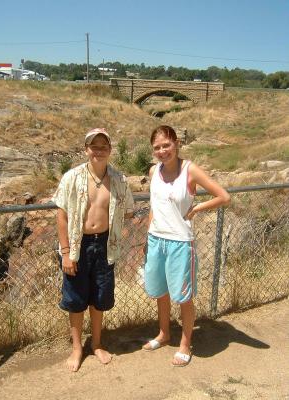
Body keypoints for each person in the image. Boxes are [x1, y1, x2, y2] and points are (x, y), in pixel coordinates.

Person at [143, 125, 230, 366]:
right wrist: (147, 238)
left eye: (166, 145)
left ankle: (184, 343)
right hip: (156, 239)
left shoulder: (189, 170)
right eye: (157, 147)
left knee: (183, 297)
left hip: (180, 243)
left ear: (177, 143)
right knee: (160, 292)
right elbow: (154, 206)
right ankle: (164, 333)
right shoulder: (153, 171)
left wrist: (197, 208)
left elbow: (224, 196)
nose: (162, 151)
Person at [52, 128, 134, 371]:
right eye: (94, 146)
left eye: (103, 146)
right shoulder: (72, 177)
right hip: (78, 246)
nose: (99, 150)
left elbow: (128, 210)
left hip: (105, 245)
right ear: (86, 149)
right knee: (75, 299)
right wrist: (66, 253)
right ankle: (77, 348)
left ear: (110, 149)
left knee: (100, 298)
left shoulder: (119, 180)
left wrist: (118, 232)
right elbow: (61, 216)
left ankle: (97, 344)